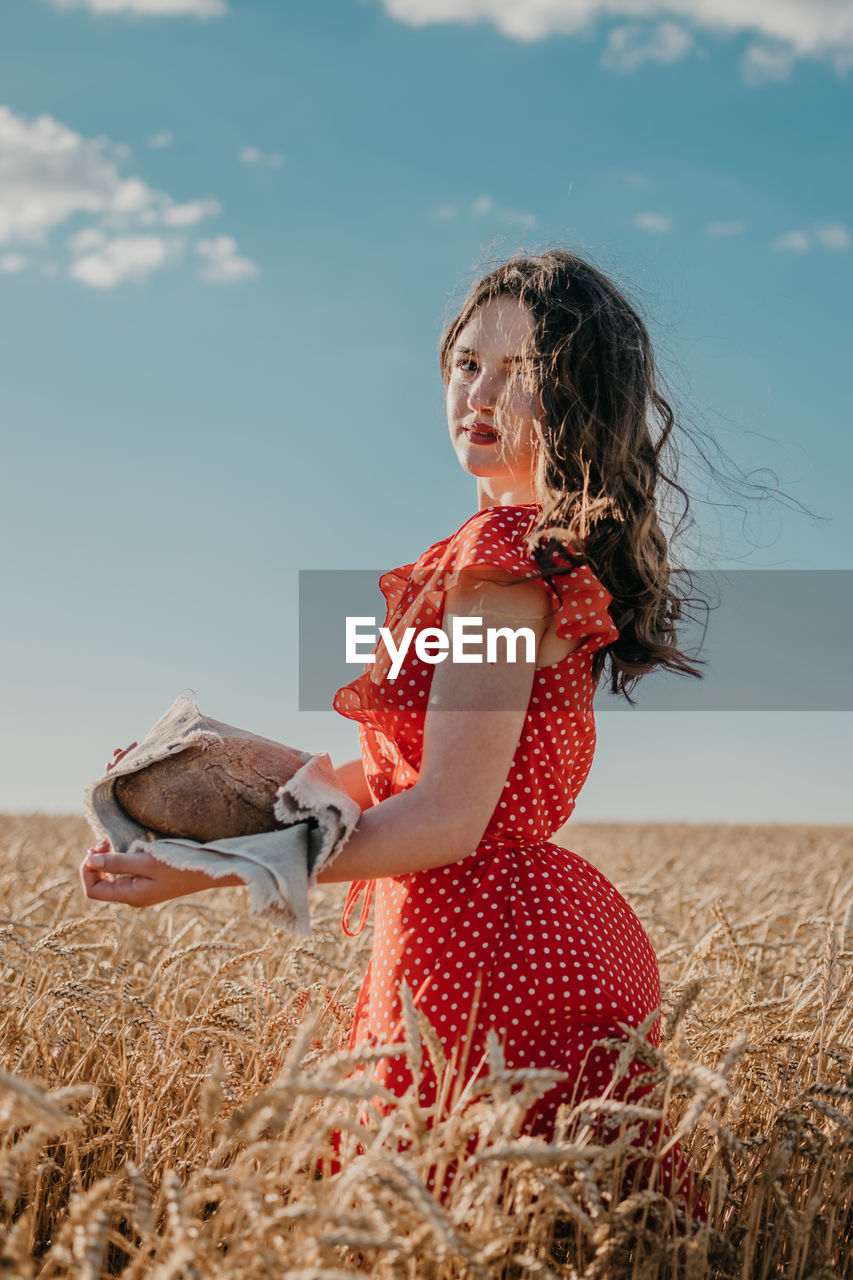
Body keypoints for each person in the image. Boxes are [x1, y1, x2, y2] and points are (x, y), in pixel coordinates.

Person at [81, 249, 707, 1216]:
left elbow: (448, 816)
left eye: (523, 370)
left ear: (580, 396)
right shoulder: (498, 557)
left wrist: (210, 871)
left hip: (488, 946)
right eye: (465, 363)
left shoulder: (502, 568)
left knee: (449, 1214)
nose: (480, 391)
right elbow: (395, 773)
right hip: (517, 931)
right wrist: (192, 811)